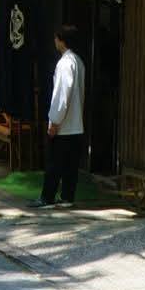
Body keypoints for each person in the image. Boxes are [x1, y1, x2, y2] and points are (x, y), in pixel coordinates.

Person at [34, 23, 86, 209]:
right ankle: (67, 197)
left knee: (54, 163)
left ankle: (47, 197)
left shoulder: (65, 63)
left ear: (62, 41)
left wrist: (54, 121)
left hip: (63, 124)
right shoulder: (78, 61)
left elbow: (61, 95)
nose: (54, 41)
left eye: (56, 38)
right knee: (70, 165)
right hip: (76, 124)